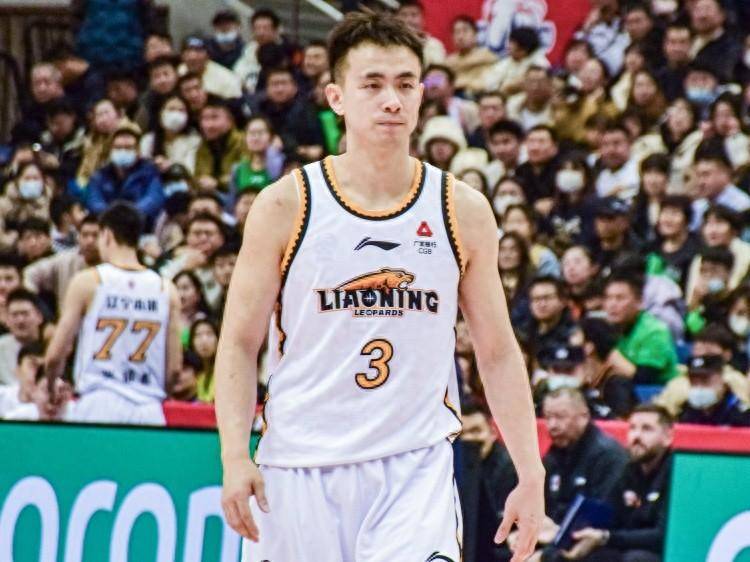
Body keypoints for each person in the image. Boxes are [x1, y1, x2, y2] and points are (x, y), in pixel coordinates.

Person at [215, 12, 544, 562]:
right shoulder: (284, 205)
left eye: (405, 84)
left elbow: (497, 351)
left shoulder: (462, 209)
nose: (392, 100)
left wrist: (530, 470)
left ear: (421, 96)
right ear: (337, 98)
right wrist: (233, 455)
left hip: (413, 467)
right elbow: (239, 343)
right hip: (298, 466)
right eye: (372, 84)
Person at [44, 203, 181, 425]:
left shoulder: (88, 281)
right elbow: (174, 370)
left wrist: (51, 387)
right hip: (148, 408)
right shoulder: (167, 289)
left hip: (99, 403)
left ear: (106, 235)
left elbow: (55, 355)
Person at [520, 388, 628, 560]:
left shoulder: (608, 456)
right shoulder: (553, 456)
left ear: (584, 416)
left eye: (560, 417)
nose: (552, 425)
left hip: (595, 541)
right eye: (548, 417)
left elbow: (601, 515)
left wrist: (547, 552)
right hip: (554, 537)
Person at [564, 405, 674, 562]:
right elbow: (607, 516)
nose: (636, 436)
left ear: (668, 437)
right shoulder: (627, 469)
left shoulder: (675, 473)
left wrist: (607, 537)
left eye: (647, 429)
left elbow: (663, 536)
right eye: (633, 428)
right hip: (626, 548)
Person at [603, 273, 678, 385]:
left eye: (620, 298)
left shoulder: (655, 331)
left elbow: (644, 380)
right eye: (608, 298)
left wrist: (607, 351)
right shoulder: (606, 327)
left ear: (640, 302)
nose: (612, 304)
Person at [85, 125, 165, 224]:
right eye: (118, 148)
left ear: (138, 151)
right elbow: (94, 202)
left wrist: (128, 217)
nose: (123, 151)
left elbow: (153, 200)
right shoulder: (100, 175)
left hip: (141, 226)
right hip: (108, 225)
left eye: (128, 148)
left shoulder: (150, 172)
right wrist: (112, 217)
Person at [24, 214, 100, 315]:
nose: (89, 241)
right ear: (78, 237)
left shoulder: (116, 262)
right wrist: (39, 312)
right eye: (85, 235)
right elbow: (30, 273)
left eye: (95, 236)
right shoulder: (65, 260)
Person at [677, 354, 750, 426]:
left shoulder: (739, 412)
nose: (699, 387)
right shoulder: (687, 410)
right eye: (693, 381)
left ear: (721, 378)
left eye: (705, 380)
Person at [0, 289, 46, 385]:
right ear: (7, 320)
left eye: (25, 314)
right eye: (15, 315)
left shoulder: (51, 346)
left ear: (39, 317)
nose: (20, 320)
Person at [445, 15, 498, 97]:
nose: (460, 37)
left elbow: (489, 83)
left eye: (465, 31)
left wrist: (464, 82)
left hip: (479, 96)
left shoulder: (487, 56)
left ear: (475, 34)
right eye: (457, 32)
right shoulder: (449, 62)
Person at [180, 35, 242, 100]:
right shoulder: (180, 72)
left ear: (208, 55)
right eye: (188, 51)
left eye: (198, 51)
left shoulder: (228, 80)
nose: (192, 57)